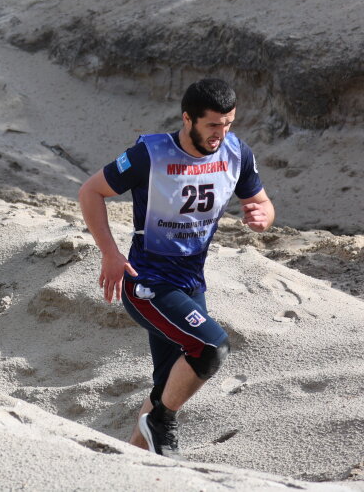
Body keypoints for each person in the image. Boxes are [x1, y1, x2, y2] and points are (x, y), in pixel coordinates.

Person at [78, 78, 274, 457]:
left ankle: (129, 465)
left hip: (191, 282)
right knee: (211, 347)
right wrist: (110, 253)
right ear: (188, 119)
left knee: (166, 386)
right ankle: (160, 423)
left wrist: (261, 216)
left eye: (228, 123)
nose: (221, 133)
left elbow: (262, 204)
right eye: (212, 125)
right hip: (146, 281)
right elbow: (90, 191)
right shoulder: (149, 154)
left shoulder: (237, 153)